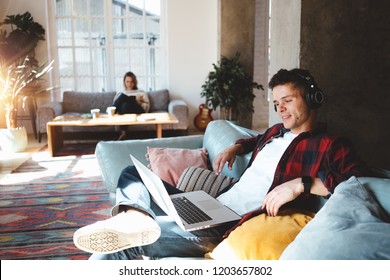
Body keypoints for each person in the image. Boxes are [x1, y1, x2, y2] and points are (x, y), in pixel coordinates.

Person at [73, 68, 371, 260]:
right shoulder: (274, 132)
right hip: (209, 203)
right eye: (276, 102)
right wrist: (234, 147)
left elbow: (356, 181)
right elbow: (253, 141)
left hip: (226, 224)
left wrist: (301, 184)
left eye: (288, 100)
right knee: (130, 174)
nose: (280, 108)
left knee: (122, 244)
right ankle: (134, 215)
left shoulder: (331, 144)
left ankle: (132, 223)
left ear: (311, 98)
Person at [113, 71, 150, 140]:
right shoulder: (120, 92)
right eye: (127, 82)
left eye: (131, 82)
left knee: (123, 97)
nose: (129, 84)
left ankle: (113, 109)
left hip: (138, 110)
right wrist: (134, 100)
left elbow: (146, 106)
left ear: (135, 82)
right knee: (124, 104)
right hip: (125, 110)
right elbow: (118, 105)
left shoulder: (141, 92)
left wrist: (138, 103)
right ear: (124, 82)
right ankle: (124, 134)